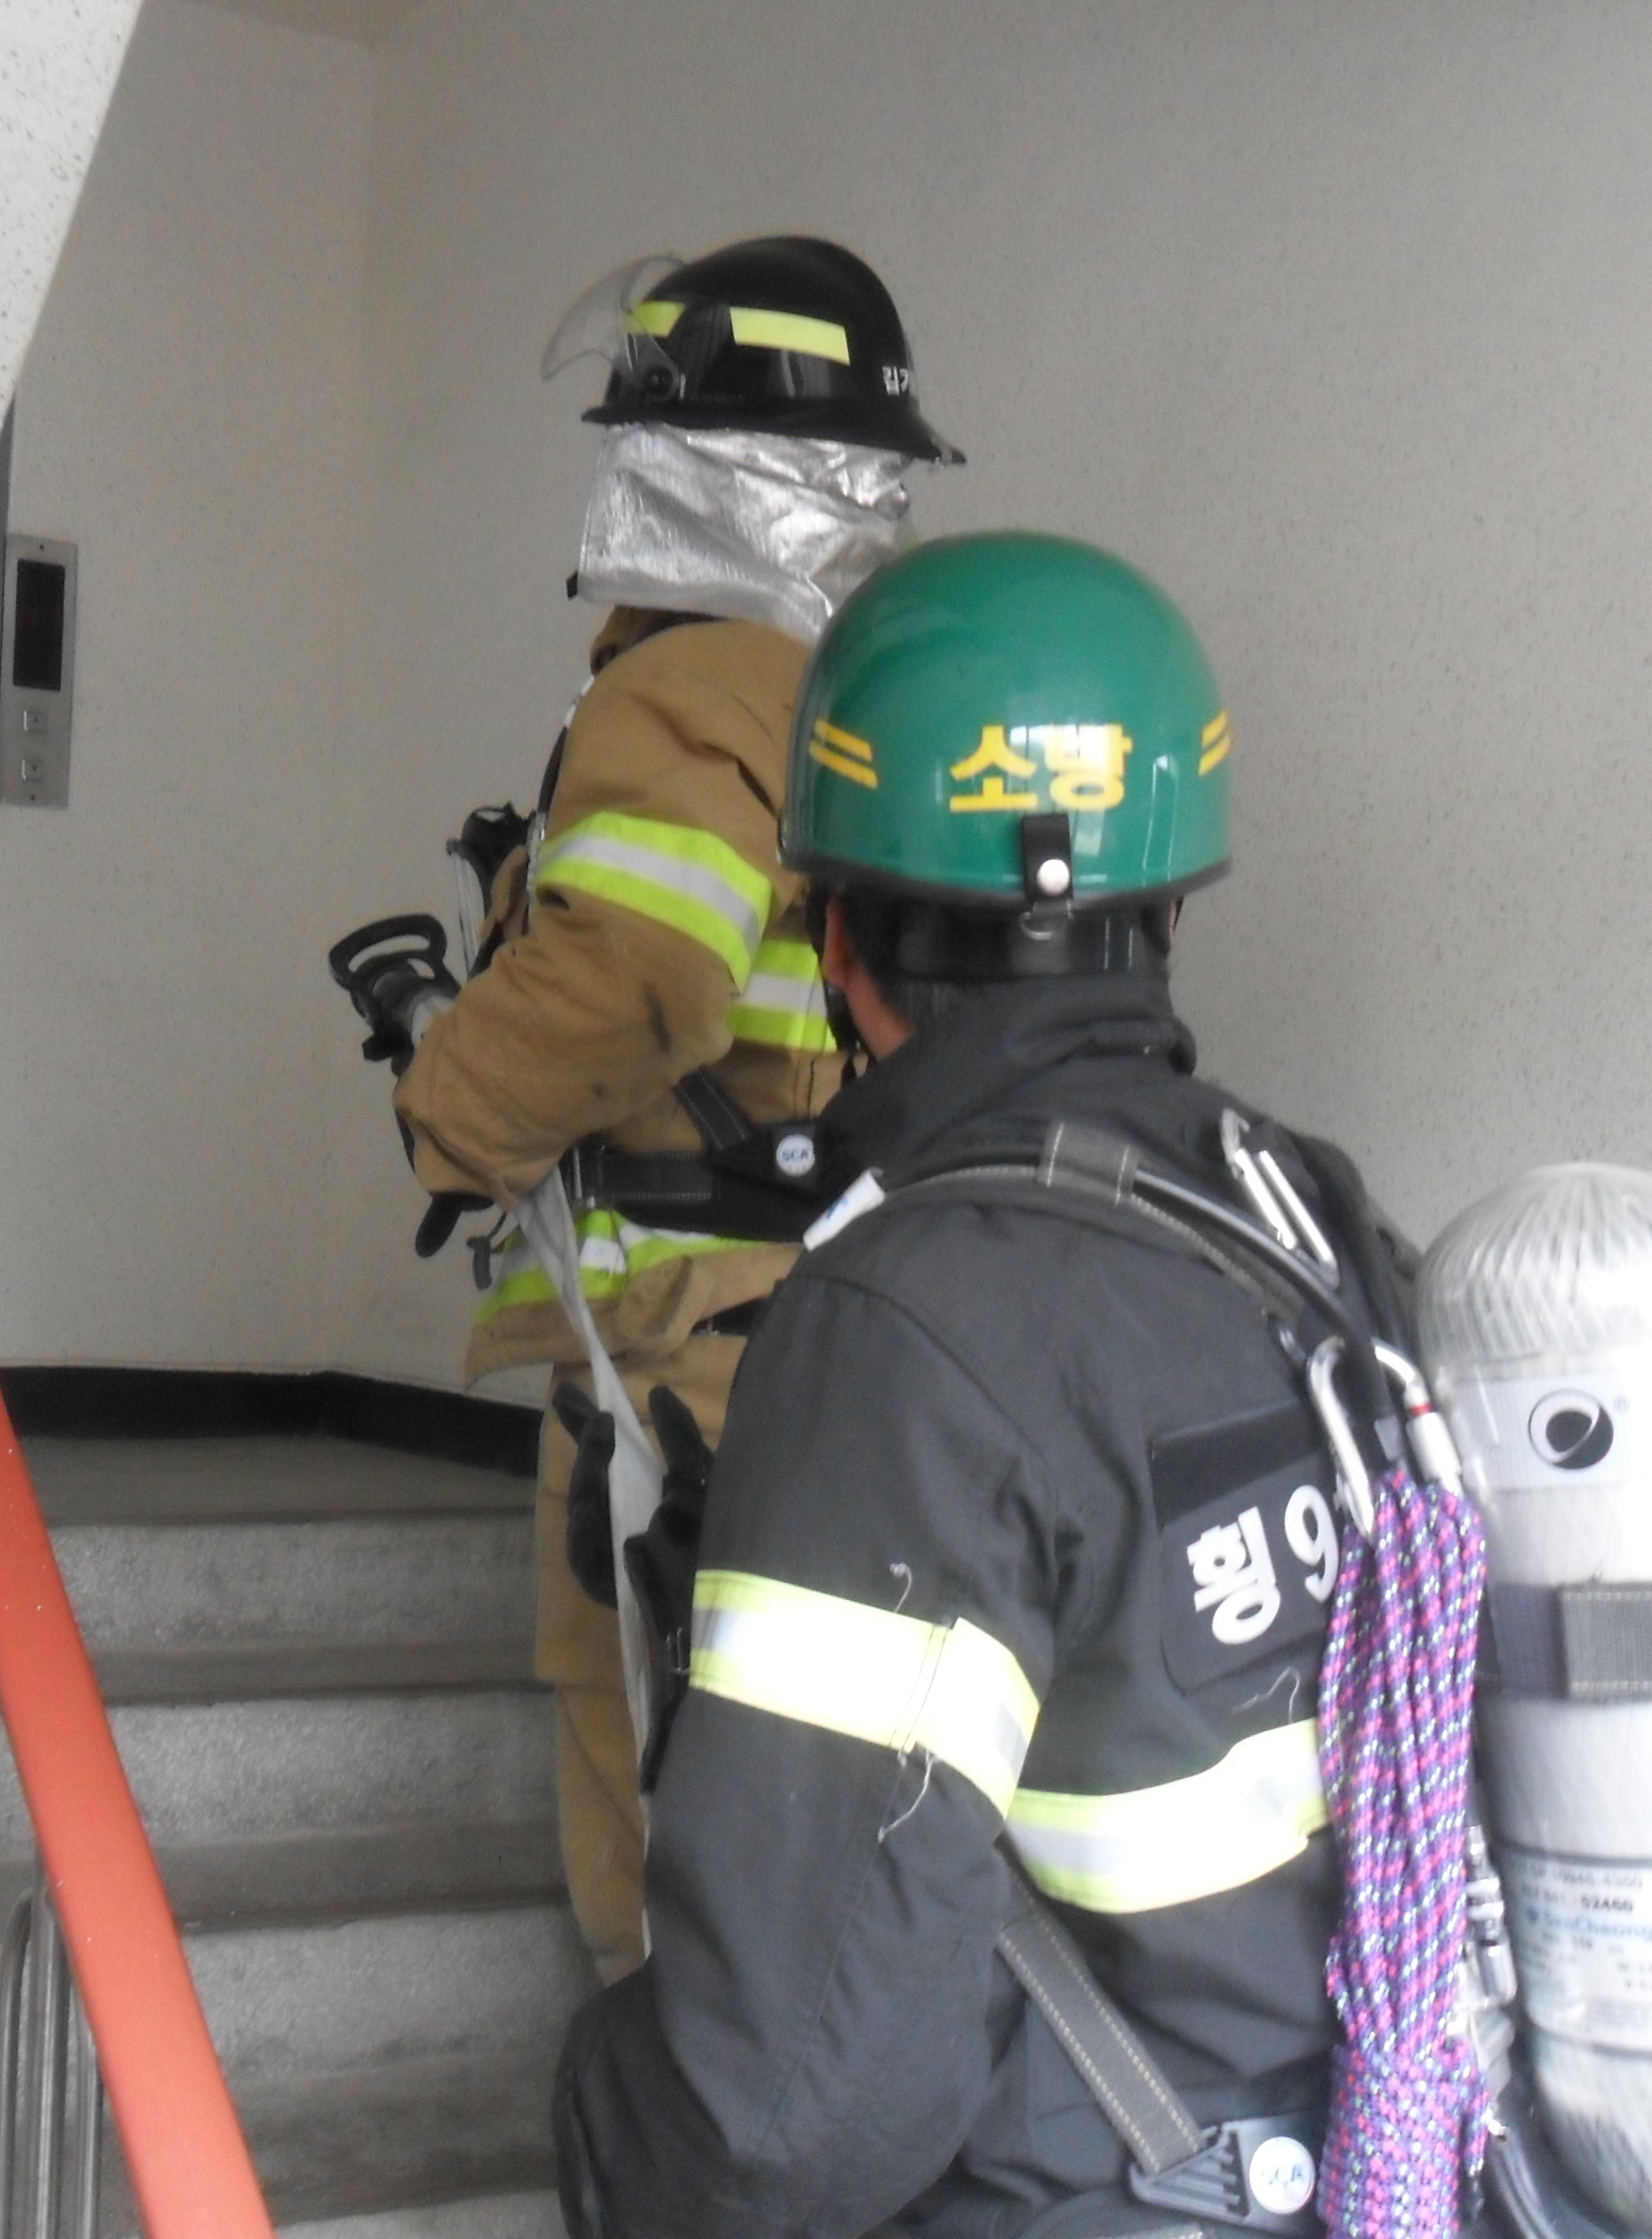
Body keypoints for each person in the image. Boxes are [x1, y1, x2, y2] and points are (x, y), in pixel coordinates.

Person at [551, 533, 1430, 2239]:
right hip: (1379, 2206)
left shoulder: (901, 1326)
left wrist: (591, 2128)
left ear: (835, 928)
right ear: (1165, 901)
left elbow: (776, 2112)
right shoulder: (1301, 1215)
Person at [370, 236, 961, 1983]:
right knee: (801, 1802)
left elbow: (639, 972)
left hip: (680, 1355)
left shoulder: (693, 683)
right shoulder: (865, 695)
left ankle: (665, 2130)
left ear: (684, 465)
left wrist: (449, 1107)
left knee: (649, 1789)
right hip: (836, 1319)